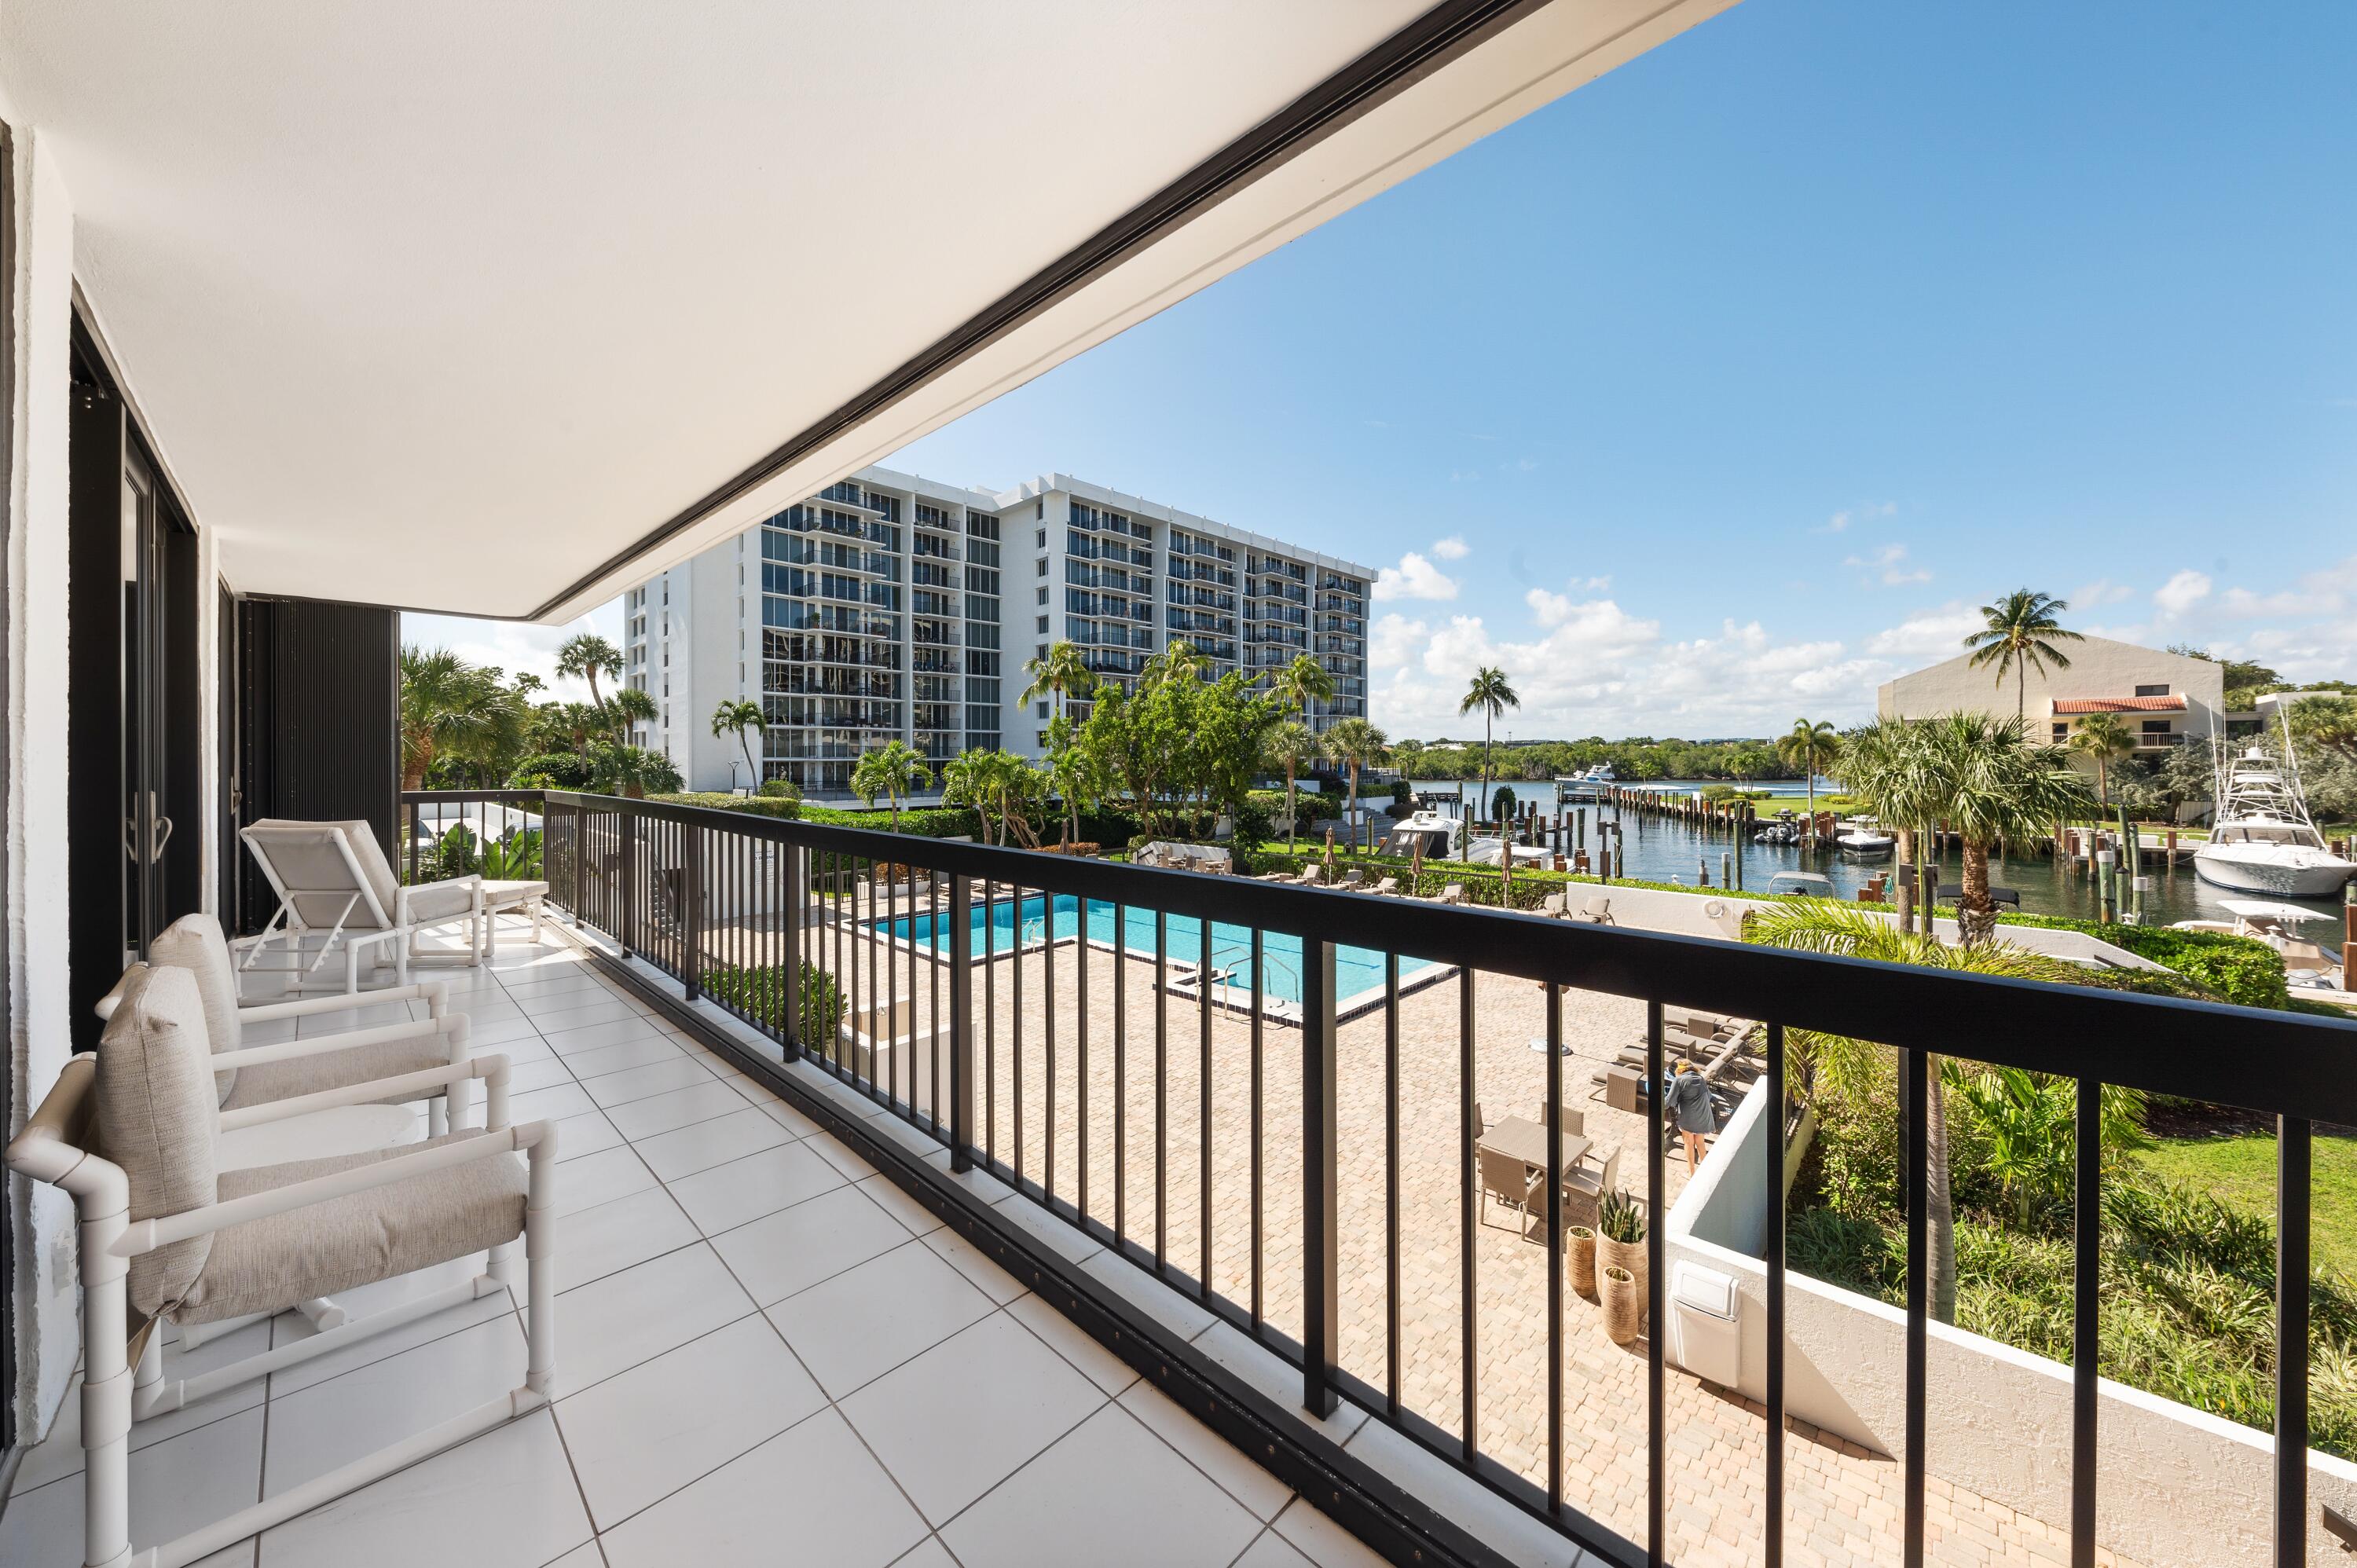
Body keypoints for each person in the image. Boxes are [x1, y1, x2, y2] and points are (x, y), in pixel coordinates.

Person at [1662, 1061, 1715, 1174]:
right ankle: (1705, 1172)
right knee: (1700, 1142)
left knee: (1689, 1143)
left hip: (1688, 1118)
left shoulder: (1679, 1080)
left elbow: (1668, 1103)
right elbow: (1709, 1096)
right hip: (1703, 1116)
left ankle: (1692, 1174)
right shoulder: (1700, 1079)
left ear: (1679, 1070)